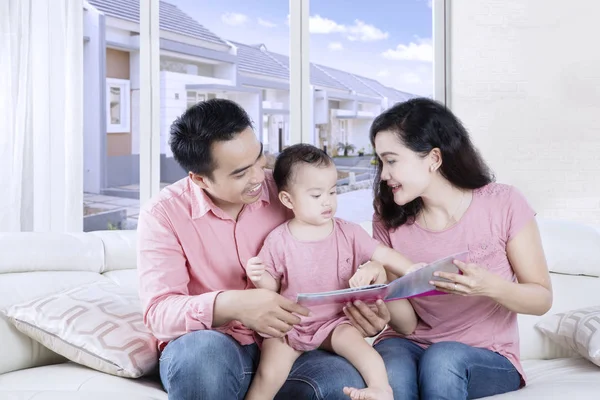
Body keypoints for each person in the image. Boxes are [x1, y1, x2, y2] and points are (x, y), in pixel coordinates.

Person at [136, 99, 389, 400]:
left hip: (293, 343)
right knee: (202, 357)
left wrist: (368, 300)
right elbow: (158, 312)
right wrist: (233, 305)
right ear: (200, 179)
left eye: (259, 158)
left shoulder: (289, 191)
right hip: (215, 349)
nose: (259, 176)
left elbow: (344, 246)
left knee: (343, 383)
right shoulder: (164, 214)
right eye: (241, 173)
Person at [342, 98, 553, 400]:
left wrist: (489, 286)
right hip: (407, 343)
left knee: (442, 359)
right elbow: (407, 324)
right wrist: (382, 289)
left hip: (486, 355)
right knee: (391, 374)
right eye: (380, 162)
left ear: (433, 158)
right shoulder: (388, 220)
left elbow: (541, 299)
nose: (384, 174)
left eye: (392, 160)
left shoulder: (503, 203)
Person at [243, 144, 421, 400]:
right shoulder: (278, 240)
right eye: (316, 195)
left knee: (363, 351)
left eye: (333, 191)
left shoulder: (348, 232)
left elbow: (383, 254)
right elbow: (272, 289)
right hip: (291, 325)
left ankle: (381, 389)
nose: (328, 201)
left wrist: (411, 269)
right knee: (268, 373)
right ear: (287, 199)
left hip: (336, 322)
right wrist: (259, 277)